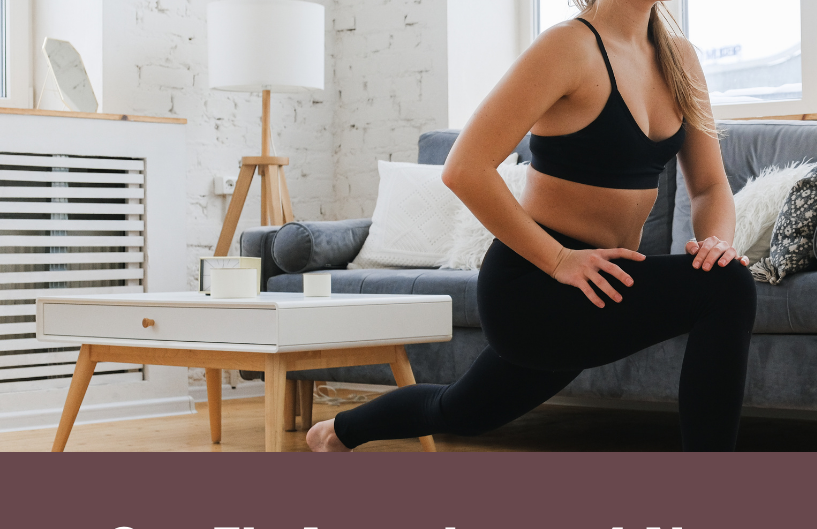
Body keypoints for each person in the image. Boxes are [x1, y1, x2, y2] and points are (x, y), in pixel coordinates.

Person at [307, 0, 755, 452]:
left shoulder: (680, 59)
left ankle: (338, 432)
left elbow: (710, 186)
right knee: (727, 287)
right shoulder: (567, 47)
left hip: (604, 285)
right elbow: (464, 168)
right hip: (535, 287)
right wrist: (559, 259)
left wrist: (716, 242)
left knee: (463, 411)